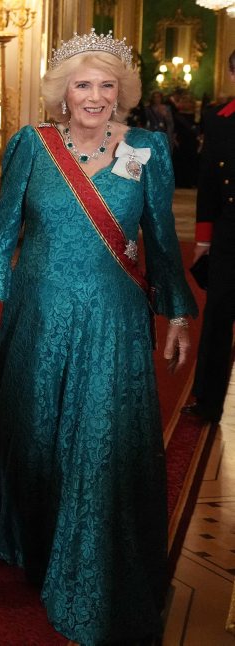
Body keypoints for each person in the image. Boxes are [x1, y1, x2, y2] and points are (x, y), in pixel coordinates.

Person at [0, 30, 198, 644]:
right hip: (37, 315)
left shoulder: (145, 149)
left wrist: (177, 315)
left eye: (107, 86)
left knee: (99, 443)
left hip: (112, 323)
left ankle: (92, 567)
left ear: (123, 93)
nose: (95, 97)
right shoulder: (33, 145)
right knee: (36, 434)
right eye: (83, 85)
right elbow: (4, 228)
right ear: (61, 94)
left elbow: (162, 241)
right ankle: (36, 543)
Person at [189, 48, 235, 424]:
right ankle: (207, 398)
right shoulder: (217, 120)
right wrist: (203, 239)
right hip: (229, 234)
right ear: (232, 75)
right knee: (218, 315)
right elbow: (207, 183)